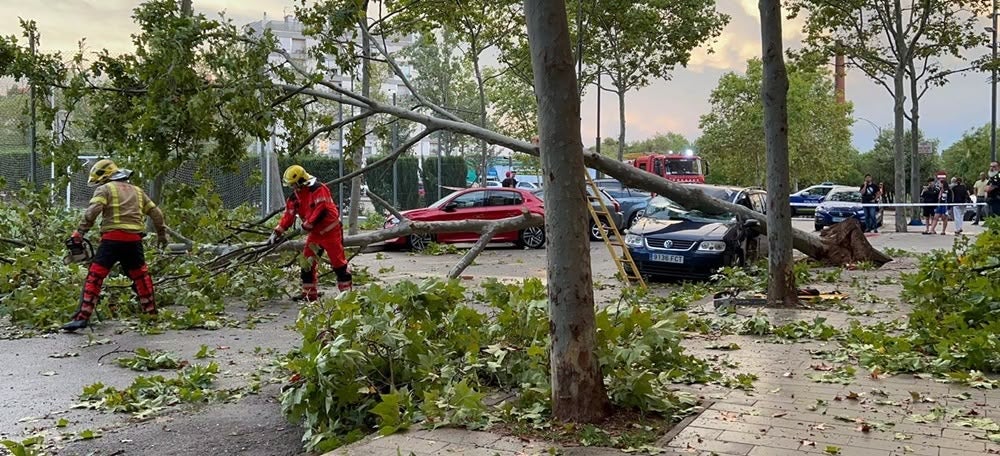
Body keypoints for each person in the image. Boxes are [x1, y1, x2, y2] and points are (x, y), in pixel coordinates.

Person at [62, 159, 167, 332]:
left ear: (104, 177)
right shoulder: (138, 191)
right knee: (141, 277)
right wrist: (161, 234)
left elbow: (93, 211)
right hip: (134, 241)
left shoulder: (105, 189)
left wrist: (80, 233)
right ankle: (151, 315)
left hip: (112, 240)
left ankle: (82, 318)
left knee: (95, 276)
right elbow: (156, 213)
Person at [268, 165, 352, 301]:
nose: (292, 187)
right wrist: (277, 232)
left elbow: (321, 209)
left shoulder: (318, 189)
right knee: (307, 263)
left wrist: (308, 224)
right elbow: (288, 216)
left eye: (294, 184)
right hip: (315, 235)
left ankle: (346, 295)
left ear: (301, 181)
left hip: (331, 232)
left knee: (338, 264)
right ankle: (309, 294)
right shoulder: (294, 198)